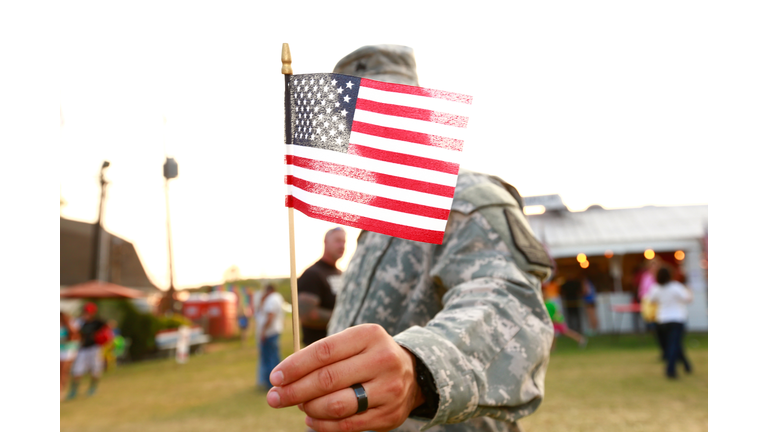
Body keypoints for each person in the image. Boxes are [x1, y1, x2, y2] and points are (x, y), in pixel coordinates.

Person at [266, 45, 554, 432]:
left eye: (385, 113)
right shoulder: (374, 227)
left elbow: (508, 304)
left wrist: (418, 367)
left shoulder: (466, 199)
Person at [297, 227, 346, 347]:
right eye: (337, 241)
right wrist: (344, 317)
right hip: (318, 349)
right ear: (325, 242)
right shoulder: (312, 274)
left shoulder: (341, 274)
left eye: (344, 242)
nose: (342, 245)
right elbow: (307, 315)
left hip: (341, 345)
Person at [646, 267, 693, 379]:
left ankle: (687, 366)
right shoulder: (676, 287)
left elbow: (651, 301)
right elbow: (688, 299)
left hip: (662, 319)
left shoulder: (655, 288)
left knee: (673, 344)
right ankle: (670, 370)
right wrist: (689, 290)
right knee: (674, 344)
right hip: (677, 319)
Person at [67, 302, 110, 399]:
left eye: (88, 312)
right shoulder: (79, 322)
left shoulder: (97, 322)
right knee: (77, 370)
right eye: (85, 312)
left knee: (95, 369)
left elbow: (109, 326)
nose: (86, 314)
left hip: (94, 348)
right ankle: (74, 390)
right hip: (82, 349)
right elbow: (74, 332)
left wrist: (101, 336)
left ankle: (93, 387)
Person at [254, 284, 285, 391]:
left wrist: (263, 331)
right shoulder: (277, 297)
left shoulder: (272, 299)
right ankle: (276, 381)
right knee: (274, 357)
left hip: (269, 333)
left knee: (269, 358)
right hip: (274, 331)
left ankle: (270, 383)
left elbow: (270, 315)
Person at [60, 311, 80, 400]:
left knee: (63, 371)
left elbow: (75, 337)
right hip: (60, 349)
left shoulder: (70, 325)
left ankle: (61, 390)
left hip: (68, 350)